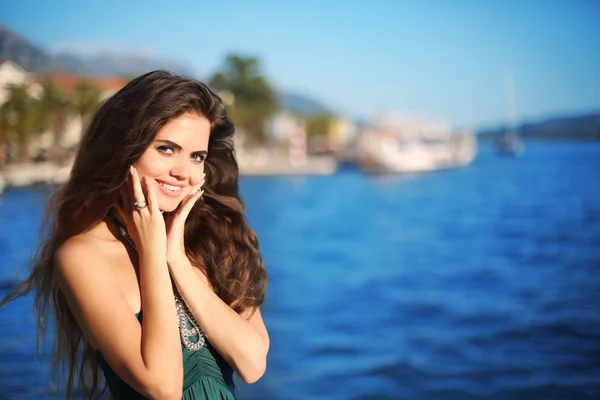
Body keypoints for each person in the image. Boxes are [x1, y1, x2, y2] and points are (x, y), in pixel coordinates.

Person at [0, 70, 269, 400]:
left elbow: (253, 363)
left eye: (196, 156)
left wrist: (176, 260)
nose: (183, 172)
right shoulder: (83, 255)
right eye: (166, 149)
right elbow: (163, 387)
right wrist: (153, 255)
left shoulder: (213, 237)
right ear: (126, 148)